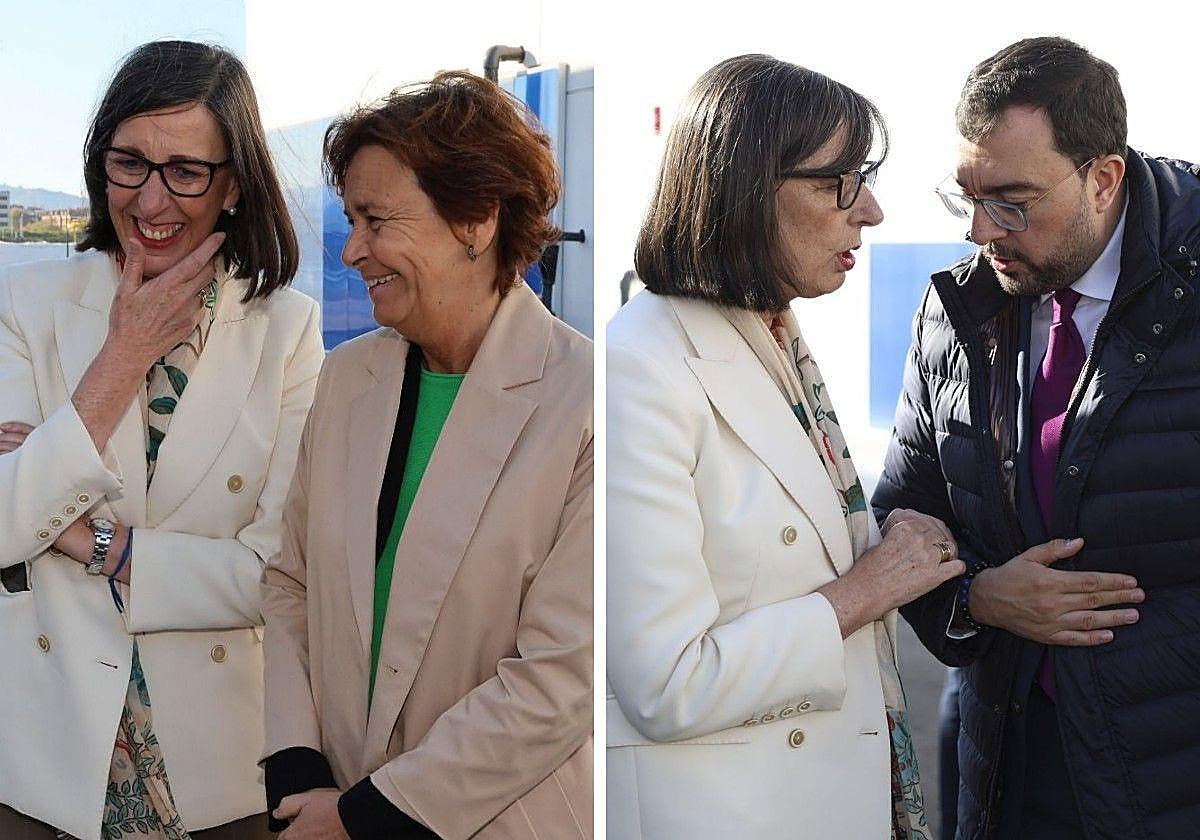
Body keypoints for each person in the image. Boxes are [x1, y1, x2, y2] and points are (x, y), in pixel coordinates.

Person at [605, 54, 965, 839]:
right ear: (746, 187)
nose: (870, 210)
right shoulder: (640, 366)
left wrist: (887, 544)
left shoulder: (771, 338)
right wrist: (868, 587)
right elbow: (666, 683)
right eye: (841, 181)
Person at [872, 36, 1200, 839]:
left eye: (1012, 200)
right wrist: (976, 598)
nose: (982, 229)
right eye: (967, 197)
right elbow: (903, 515)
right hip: (1010, 771)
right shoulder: (957, 308)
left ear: (1103, 178)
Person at [0, 40, 323, 840]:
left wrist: (85, 537)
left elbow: (277, 575)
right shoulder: (24, 303)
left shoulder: (287, 331)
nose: (151, 200)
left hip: (218, 768)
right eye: (130, 164)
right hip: (40, 759)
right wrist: (123, 357)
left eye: (185, 171)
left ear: (235, 184)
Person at [260, 71, 593, 840]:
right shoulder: (347, 379)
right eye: (351, 219)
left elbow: (560, 678)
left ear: (476, 218)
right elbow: (290, 582)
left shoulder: (586, 402)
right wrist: (297, 764)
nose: (352, 250)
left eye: (376, 220)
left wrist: (365, 818)